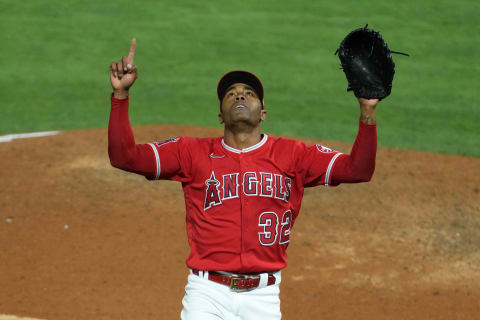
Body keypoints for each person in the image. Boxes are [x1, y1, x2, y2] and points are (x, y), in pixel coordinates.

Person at [108, 38, 378, 320]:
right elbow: (124, 157)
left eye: (248, 93)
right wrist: (120, 97)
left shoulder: (294, 155)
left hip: (264, 297)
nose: (239, 96)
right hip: (206, 293)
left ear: (263, 111)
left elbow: (358, 170)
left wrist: (367, 112)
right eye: (231, 94)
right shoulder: (190, 153)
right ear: (220, 115)